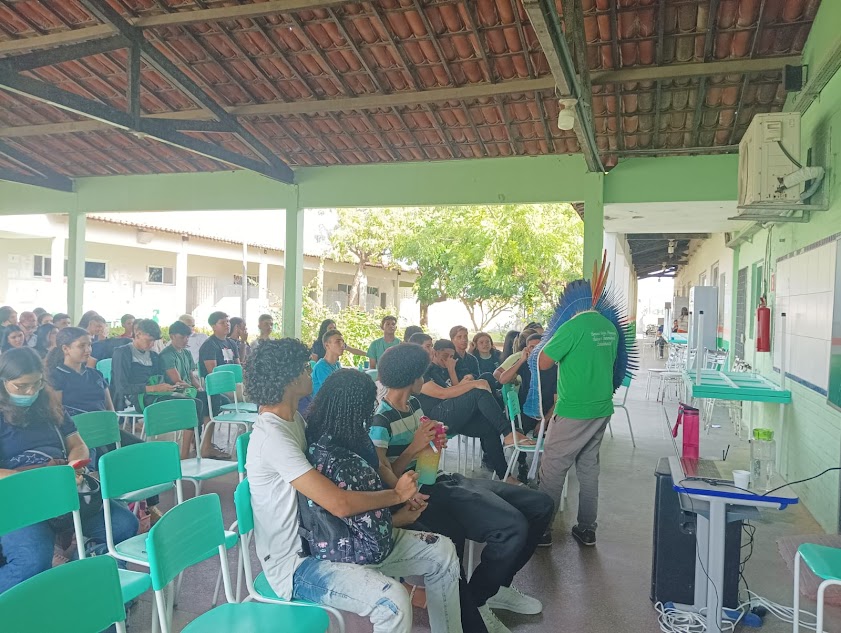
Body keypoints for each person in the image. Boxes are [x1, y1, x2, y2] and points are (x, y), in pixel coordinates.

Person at [244, 338, 462, 633]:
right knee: (393, 602)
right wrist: (397, 495)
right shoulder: (273, 437)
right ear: (288, 378)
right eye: (304, 367)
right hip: (297, 564)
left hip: (330, 539)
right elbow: (338, 503)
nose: (309, 371)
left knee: (442, 552)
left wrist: (393, 511)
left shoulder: (293, 420)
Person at [372, 343, 552, 633]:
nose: (425, 377)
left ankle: (494, 588)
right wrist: (414, 448)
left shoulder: (414, 405)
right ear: (413, 377)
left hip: (440, 479)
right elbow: (384, 477)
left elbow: (425, 457)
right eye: (423, 373)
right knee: (512, 527)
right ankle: (477, 600)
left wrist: (432, 445)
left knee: (541, 505)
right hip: (419, 495)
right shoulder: (381, 420)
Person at [0, 347, 138, 593]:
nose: (30, 392)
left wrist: (73, 466)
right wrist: (29, 479)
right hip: (17, 501)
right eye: (21, 386)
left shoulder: (49, 407)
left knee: (123, 524)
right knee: (32, 561)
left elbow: (77, 444)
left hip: (62, 491)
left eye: (37, 383)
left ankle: (81, 582)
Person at [46, 327, 163, 521]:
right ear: (65, 348)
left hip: (105, 431)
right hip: (79, 436)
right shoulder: (56, 376)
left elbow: (109, 408)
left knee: (142, 451)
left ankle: (150, 507)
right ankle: (108, 512)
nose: (88, 350)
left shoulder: (95, 375)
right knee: (103, 463)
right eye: (81, 346)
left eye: (89, 345)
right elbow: (57, 413)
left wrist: (109, 425)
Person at [536, 309, 619, 547]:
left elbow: (543, 362)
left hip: (573, 410)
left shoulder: (572, 327)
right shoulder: (609, 328)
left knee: (553, 469)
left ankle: (542, 530)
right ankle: (587, 528)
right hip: (600, 408)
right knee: (588, 468)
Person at [418, 340, 532, 483]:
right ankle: (508, 432)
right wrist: (474, 383)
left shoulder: (442, 369)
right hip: (436, 417)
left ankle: (505, 476)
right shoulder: (423, 372)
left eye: (451, 356)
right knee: (479, 391)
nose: (448, 359)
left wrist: (459, 375)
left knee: (489, 427)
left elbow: (453, 391)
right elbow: (443, 394)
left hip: (452, 414)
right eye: (428, 346)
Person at [111, 319, 205, 426]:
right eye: (149, 340)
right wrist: (154, 388)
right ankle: (190, 437)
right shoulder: (123, 353)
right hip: (136, 399)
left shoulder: (153, 356)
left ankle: (199, 435)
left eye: (154, 341)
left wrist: (173, 386)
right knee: (193, 404)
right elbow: (121, 387)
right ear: (138, 334)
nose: (152, 344)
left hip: (156, 394)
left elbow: (160, 379)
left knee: (202, 397)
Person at [160, 320, 228, 460]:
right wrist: (194, 389)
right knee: (199, 403)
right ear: (172, 336)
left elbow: (191, 377)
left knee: (216, 398)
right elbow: (177, 381)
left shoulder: (186, 353)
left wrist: (199, 387)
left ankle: (204, 443)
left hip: (189, 390)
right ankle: (191, 448)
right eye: (182, 337)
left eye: (187, 337)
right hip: (175, 393)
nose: (186, 340)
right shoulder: (167, 355)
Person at [198, 311, 239, 378]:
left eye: (228, 321)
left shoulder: (232, 343)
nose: (227, 324)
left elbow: (238, 367)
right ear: (213, 327)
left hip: (232, 379)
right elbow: (214, 373)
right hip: (217, 382)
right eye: (222, 323)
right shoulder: (209, 345)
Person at [310, 329, 345, 396]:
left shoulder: (337, 365)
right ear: (327, 345)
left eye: (343, 342)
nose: (342, 345)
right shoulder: (321, 367)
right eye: (338, 342)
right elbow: (333, 391)